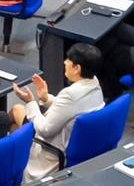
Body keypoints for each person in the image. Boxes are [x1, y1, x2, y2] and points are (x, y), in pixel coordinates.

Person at [14, 46, 106, 176]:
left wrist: (30, 102)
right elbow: (71, 107)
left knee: (16, 111)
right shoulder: (94, 83)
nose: (64, 62)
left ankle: (12, 167)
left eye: (68, 60)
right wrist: (46, 98)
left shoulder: (70, 94)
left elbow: (45, 130)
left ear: (77, 68)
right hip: (79, 146)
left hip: (52, 154)